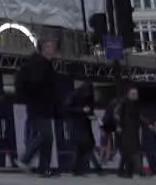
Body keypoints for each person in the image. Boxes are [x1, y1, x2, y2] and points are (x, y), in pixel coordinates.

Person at [15, 39, 60, 176]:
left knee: (48, 137)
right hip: (38, 105)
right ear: (43, 49)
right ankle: (25, 158)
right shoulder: (39, 64)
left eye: (53, 47)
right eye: (49, 47)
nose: (52, 50)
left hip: (43, 105)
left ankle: (44, 168)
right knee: (45, 135)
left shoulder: (46, 64)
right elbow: (37, 84)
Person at [65, 83, 100, 176]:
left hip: (85, 123)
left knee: (85, 145)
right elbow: (68, 108)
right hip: (75, 123)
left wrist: (91, 114)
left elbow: (90, 108)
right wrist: (81, 110)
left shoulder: (89, 96)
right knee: (82, 145)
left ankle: (77, 168)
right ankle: (78, 168)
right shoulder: (74, 95)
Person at [112, 87, 144, 179]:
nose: (135, 96)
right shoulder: (123, 103)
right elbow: (117, 114)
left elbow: (139, 116)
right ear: (129, 94)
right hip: (125, 129)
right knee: (128, 151)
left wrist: (147, 124)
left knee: (129, 151)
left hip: (133, 130)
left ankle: (123, 171)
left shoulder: (136, 105)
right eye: (133, 94)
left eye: (136, 94)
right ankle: (129, 172)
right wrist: (118, 125)